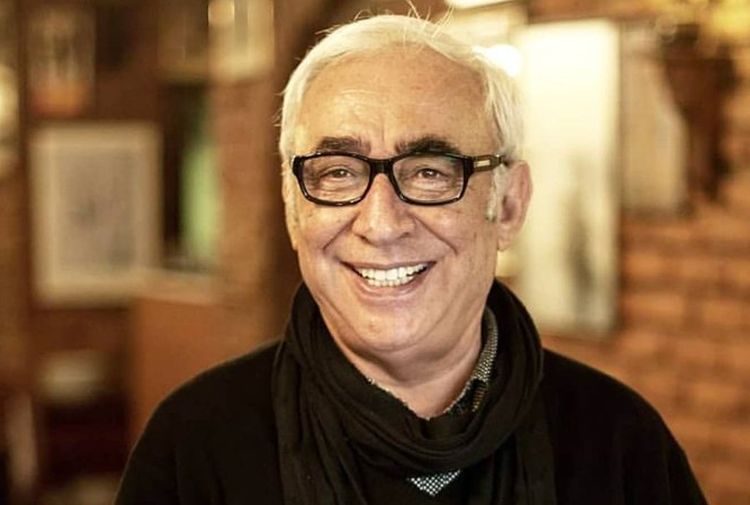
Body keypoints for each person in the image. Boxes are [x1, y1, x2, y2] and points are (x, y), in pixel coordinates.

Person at [115, 14, 708, 505]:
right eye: (338, 173)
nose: (380, 223)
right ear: (293, 208)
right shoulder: (196, 446)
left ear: (508, 206)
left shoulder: (618, 443)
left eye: (429, 172)